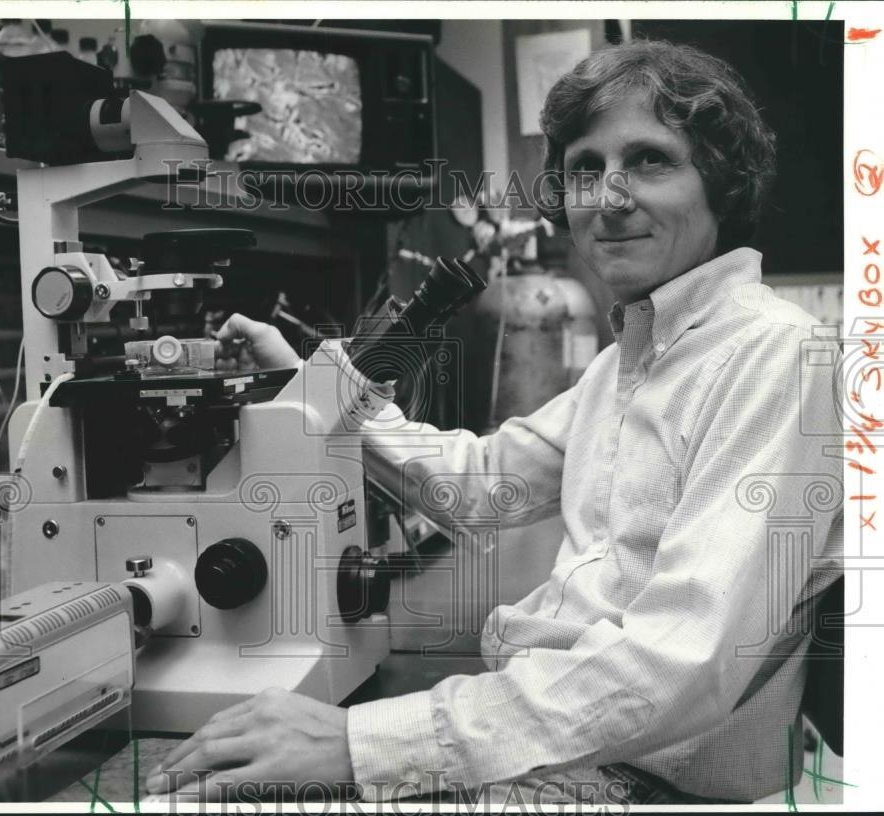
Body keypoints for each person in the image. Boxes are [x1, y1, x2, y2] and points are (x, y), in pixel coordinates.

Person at [144, 39, 842, 805]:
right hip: (562, 734)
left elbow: (681, 666)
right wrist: (311, 388)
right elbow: (480, 484)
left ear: (722, 182)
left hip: (642, 777)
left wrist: (358, 742)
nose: (608, 197)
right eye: (585, 169)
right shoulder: (632, 360)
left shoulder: (773, 355)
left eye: (649, 160)